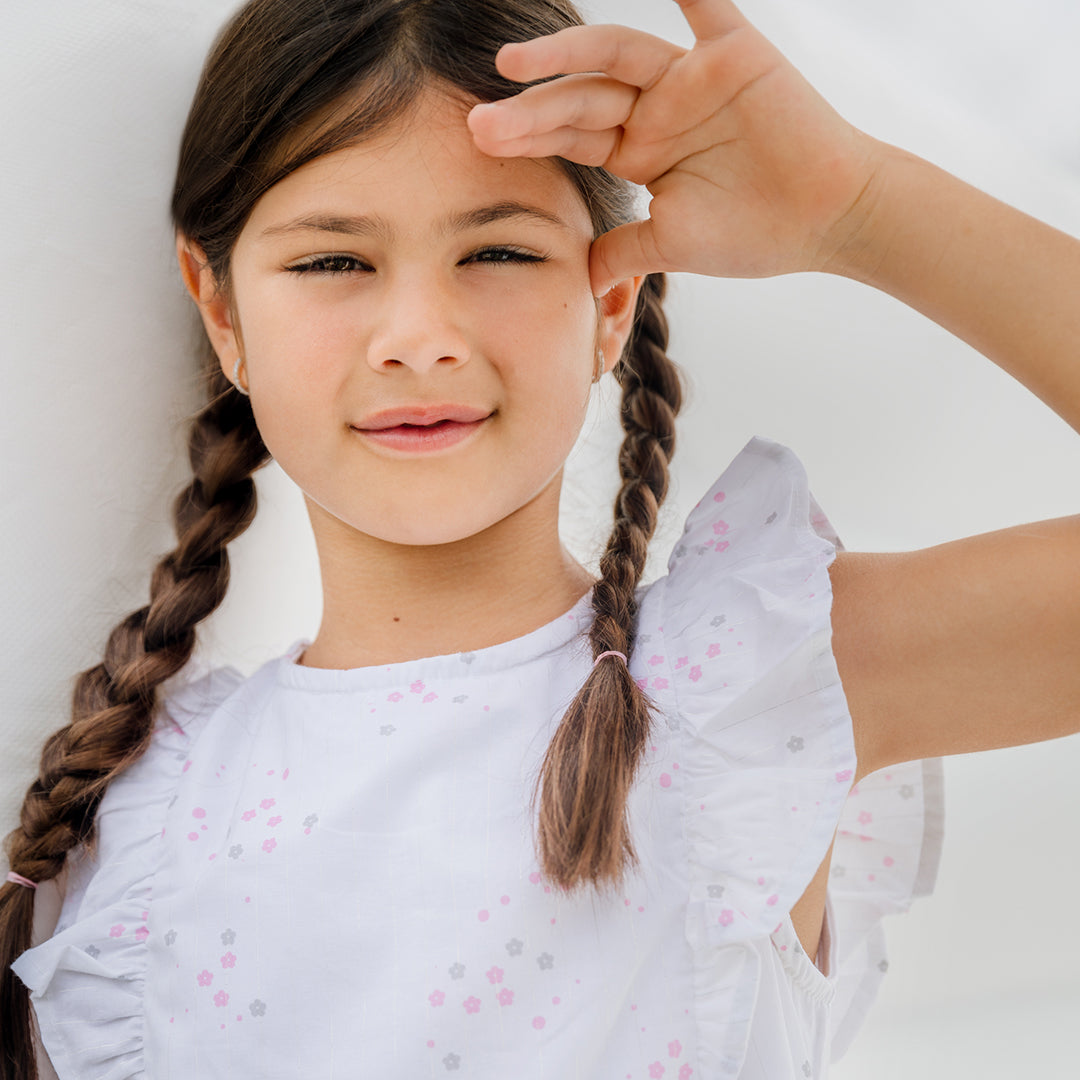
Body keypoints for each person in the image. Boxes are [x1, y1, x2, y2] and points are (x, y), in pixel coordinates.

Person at [2, 0, 1077, 1076]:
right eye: (334, 262)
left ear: (610, 300)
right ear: (221, 311)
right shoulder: (136, 822)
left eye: (500, 250)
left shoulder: (751, 685)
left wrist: (859, 207)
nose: (420, 338)